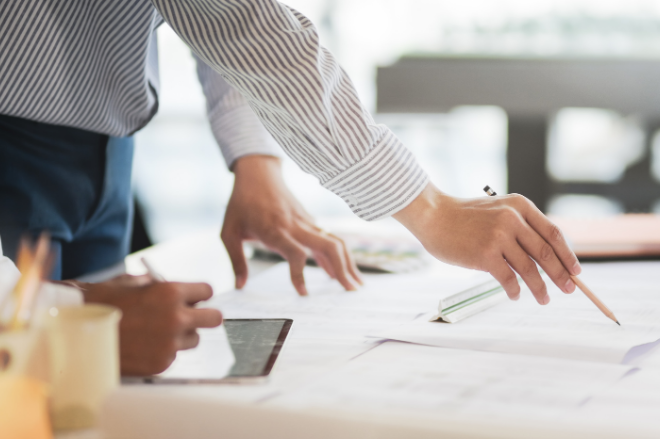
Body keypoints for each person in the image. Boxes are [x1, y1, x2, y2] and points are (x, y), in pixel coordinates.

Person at [0, 0, 581, 373]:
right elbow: (249, 28)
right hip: (17, 150)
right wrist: (426, 208)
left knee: (93, 391)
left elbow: (220, 22)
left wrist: (255, 159)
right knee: (32, 373)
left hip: (109, 149)